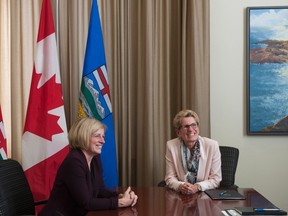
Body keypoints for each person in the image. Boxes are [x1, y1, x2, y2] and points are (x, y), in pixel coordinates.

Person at [39, 117, 138, 216]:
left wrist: (121, 196)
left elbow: (100, 190)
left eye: (103, 136)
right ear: (84, 136)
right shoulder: (74, 162)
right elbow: (86, 203)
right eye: (97, 136)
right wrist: (120, 202)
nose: (103, 141)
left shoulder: (95, 158)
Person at [165, 109, 222, 194]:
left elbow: (215, 179)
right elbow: (170, 178)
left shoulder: (212, 145)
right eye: (186, 126)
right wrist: (180, 186)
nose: (191, 129)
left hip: (204, 194)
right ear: (178, 132)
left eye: (194, 125)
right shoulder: (171, 146)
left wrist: (197, 187)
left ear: (198, 128)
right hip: (181, 194)